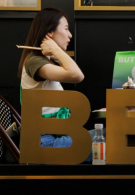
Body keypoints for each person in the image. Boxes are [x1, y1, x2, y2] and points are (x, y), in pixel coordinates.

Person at [18, 7, 98, 162]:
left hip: (54, 138)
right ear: (50, 32)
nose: (70, 35)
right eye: (66, 29)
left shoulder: (45, 61)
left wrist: (55, 53)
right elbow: (76, 75)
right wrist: (56, 49)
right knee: (111, 140)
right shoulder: (35, 62)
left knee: (110, 136)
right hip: (44, 144)